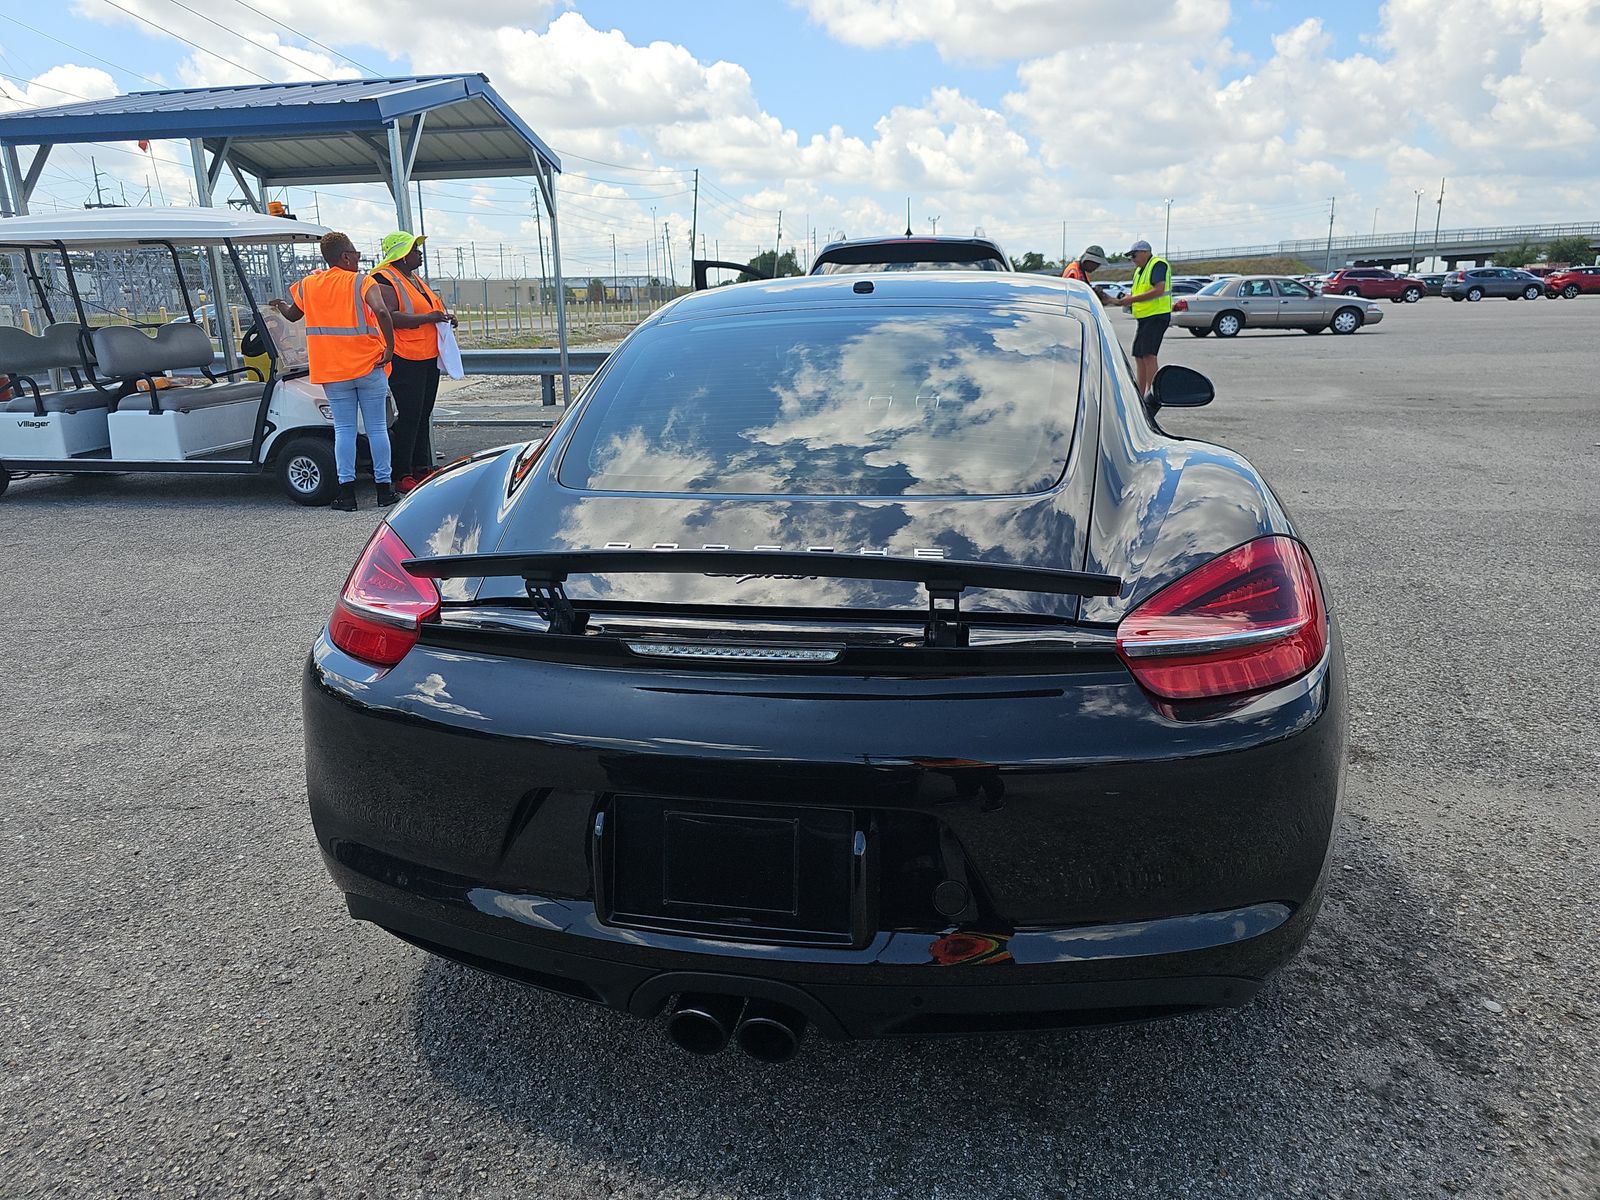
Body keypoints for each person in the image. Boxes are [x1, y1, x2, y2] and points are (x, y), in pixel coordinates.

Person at [270, 232, 396, 511]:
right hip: (368, 365)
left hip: (332, 372)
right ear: (346, 256)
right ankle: (384, 491)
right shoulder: (362, 282)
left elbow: (292, 315)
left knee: (344, 430)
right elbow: (383, 312)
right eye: (357, 254)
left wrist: (278, 304)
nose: (359, 259)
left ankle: (347, 495)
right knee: (377, 429)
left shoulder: (308, 285)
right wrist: (389, 348)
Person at [371, 231, 456, 493]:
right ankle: (402, 473)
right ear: (401, 253)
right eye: (414, 249)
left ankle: (422, 467)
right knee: (409, 416)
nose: (419, 253)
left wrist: (443, 318)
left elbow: (427, 310)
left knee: (423, 414)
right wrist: (430, 318)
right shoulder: (384, 279)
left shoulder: (413, 279)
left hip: (427, 356)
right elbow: (390, 316)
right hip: (405, 357)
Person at [1111, 239, 1171, 397]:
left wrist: (1131, 300)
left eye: (1134, 255)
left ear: (1146, 252)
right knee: (1139, 354)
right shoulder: (1139, 271)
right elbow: (1139, 293)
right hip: (1145, 318)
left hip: (1156, 316)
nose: (1132, 259)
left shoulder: (1157, 264)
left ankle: (1152, 394)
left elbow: (1159, 289)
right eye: (1130, 257)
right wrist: (1125, 299)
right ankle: (1140, 393)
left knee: (1149, 355)